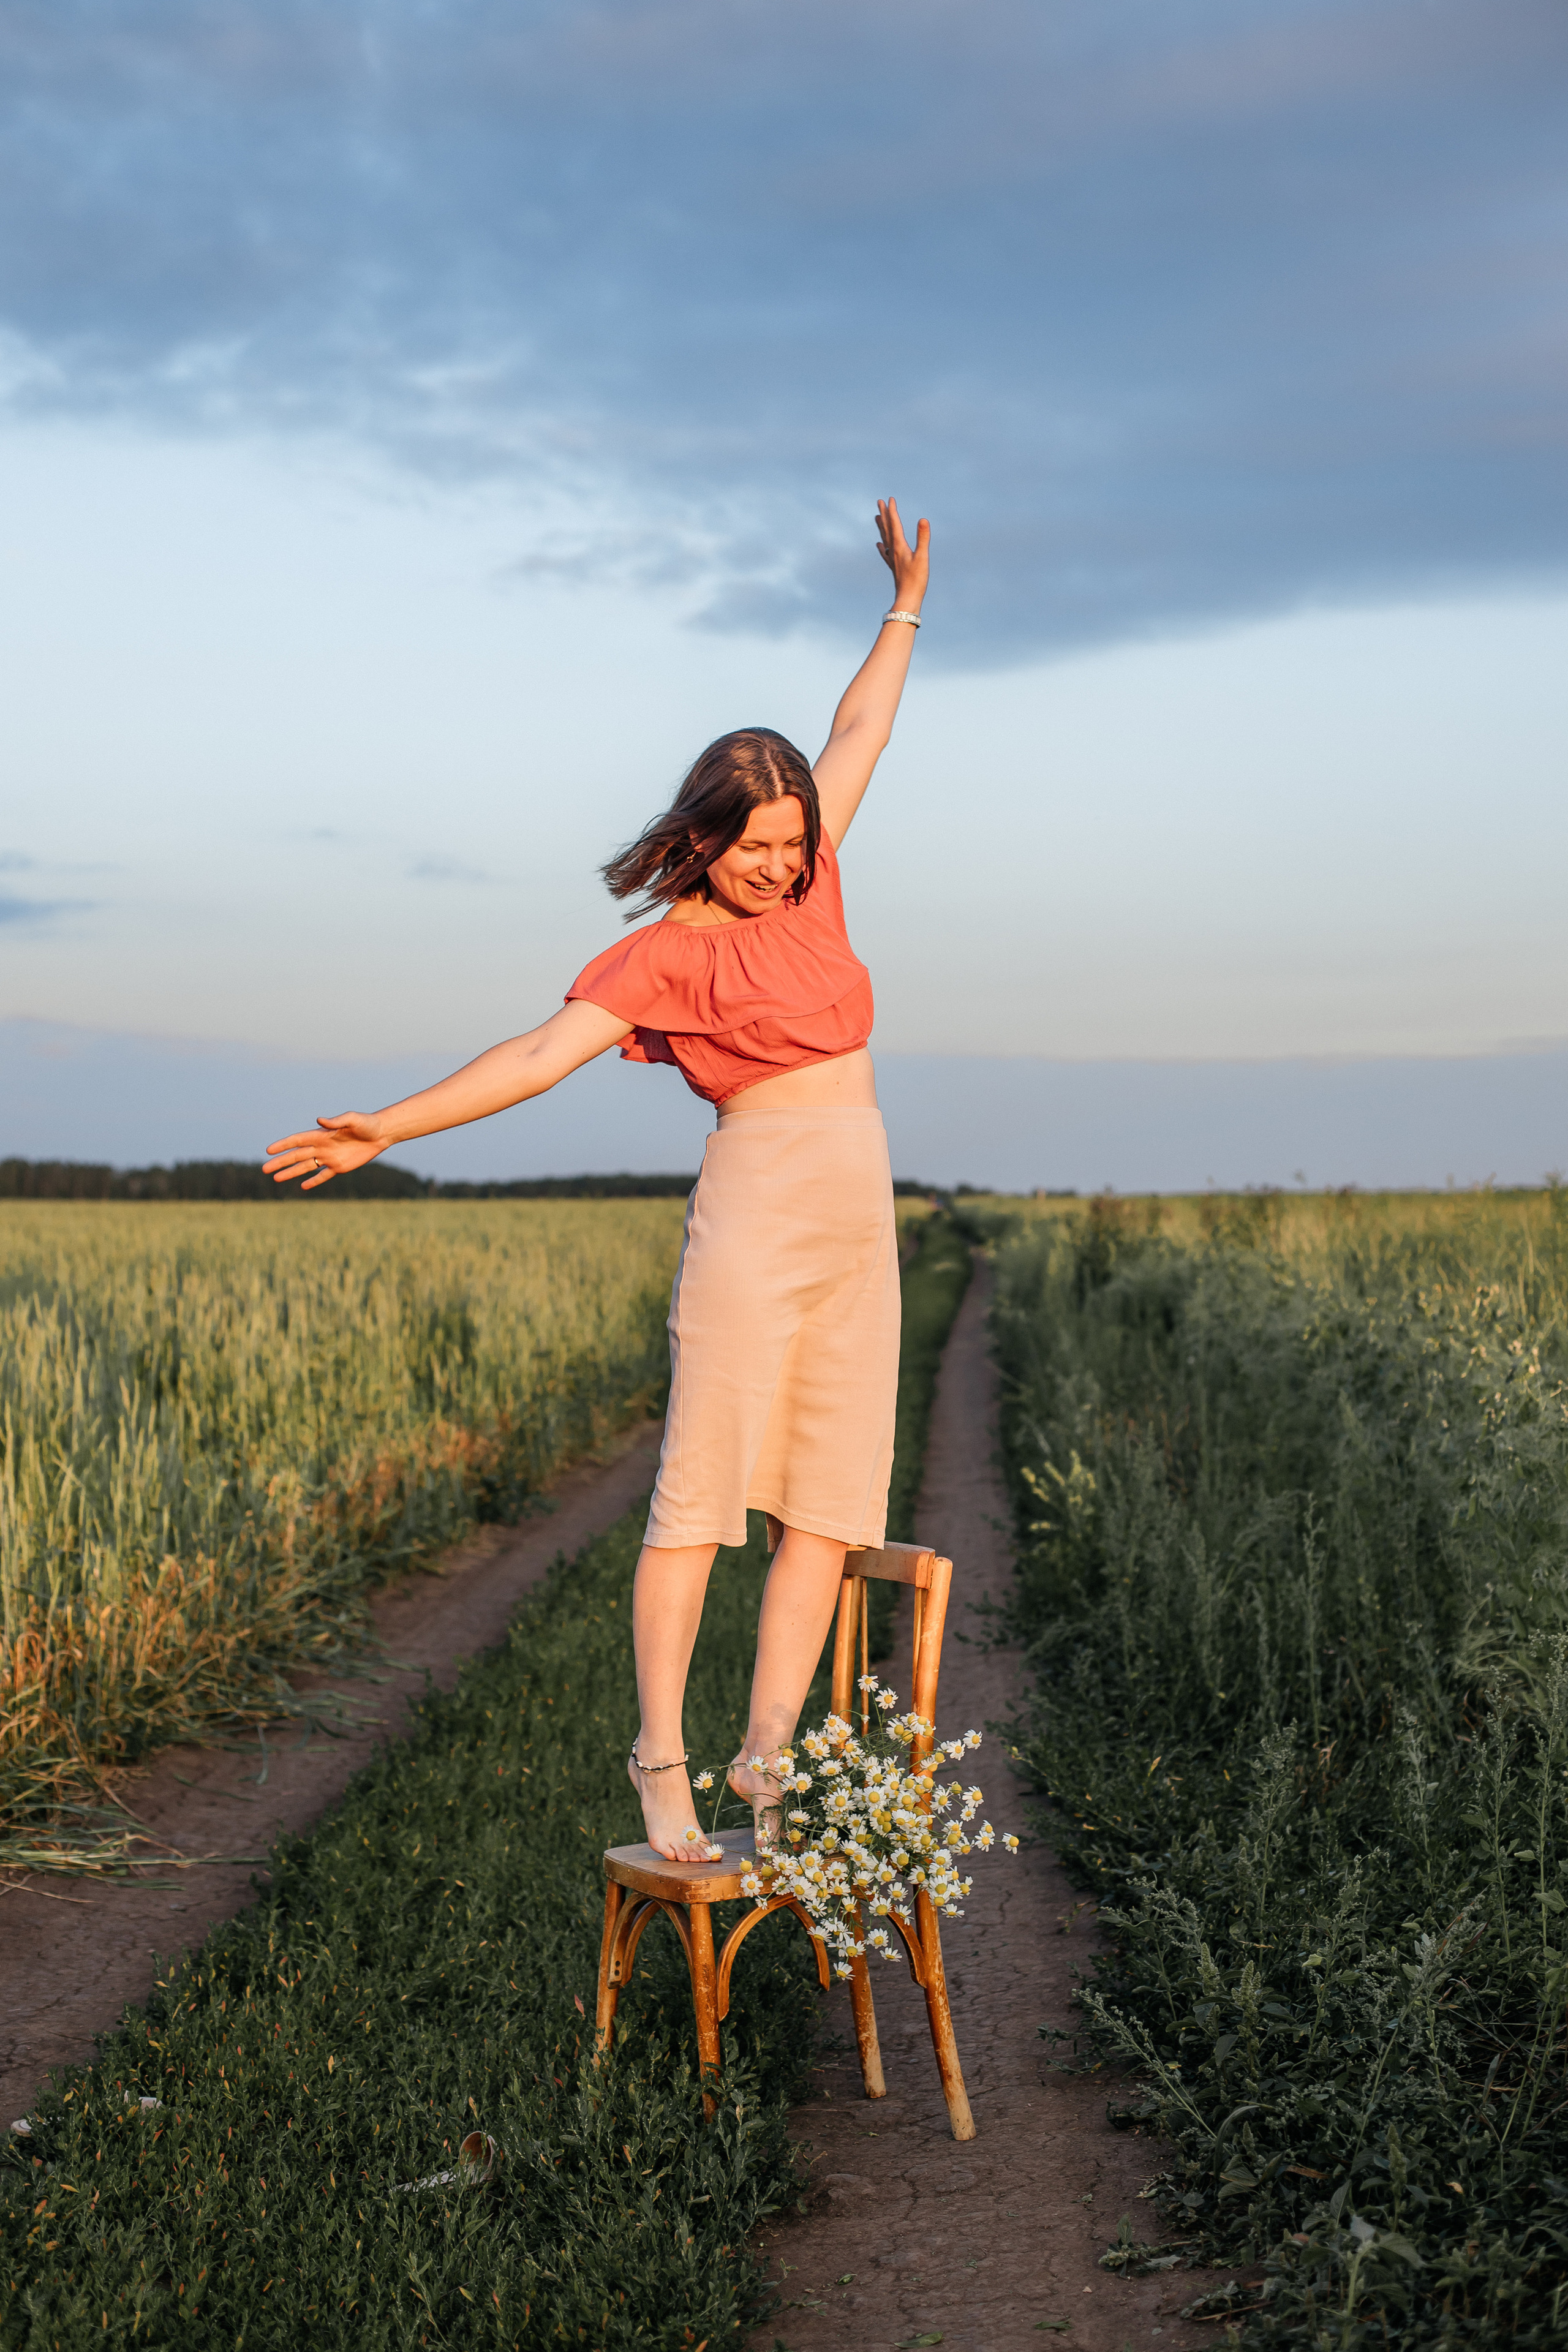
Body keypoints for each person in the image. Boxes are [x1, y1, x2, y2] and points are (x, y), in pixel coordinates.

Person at [264, 497, 930, 1861]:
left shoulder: (816, 881)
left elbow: (856, 729)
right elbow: (529, 1057)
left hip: (857, 1207)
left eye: (794, 846)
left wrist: (903, 604)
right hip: (754, 1205)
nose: (782, 867)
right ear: (703, 837)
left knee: (828, 1500)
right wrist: (386, 1126)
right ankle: (660, 1760)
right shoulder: (656, 960)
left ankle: (760, 1752)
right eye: (756, 849)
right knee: (698, 1499)